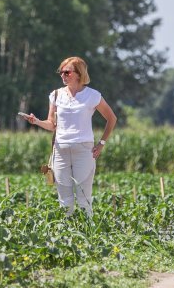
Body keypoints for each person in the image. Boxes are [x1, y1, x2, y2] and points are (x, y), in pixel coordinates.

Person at [24, 56, 117, 216]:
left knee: (84, 199)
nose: (63, 75)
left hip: (83, 151)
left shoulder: (92, 95)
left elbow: (112, 118)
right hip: (60, 152)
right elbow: (52, 124)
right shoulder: (55, 95)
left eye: (67, 72)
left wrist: (101, 143)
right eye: (61, 72)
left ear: (79, 73)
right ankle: (67, 236)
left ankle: (88, 235)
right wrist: (37, 121)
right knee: (64, 201)